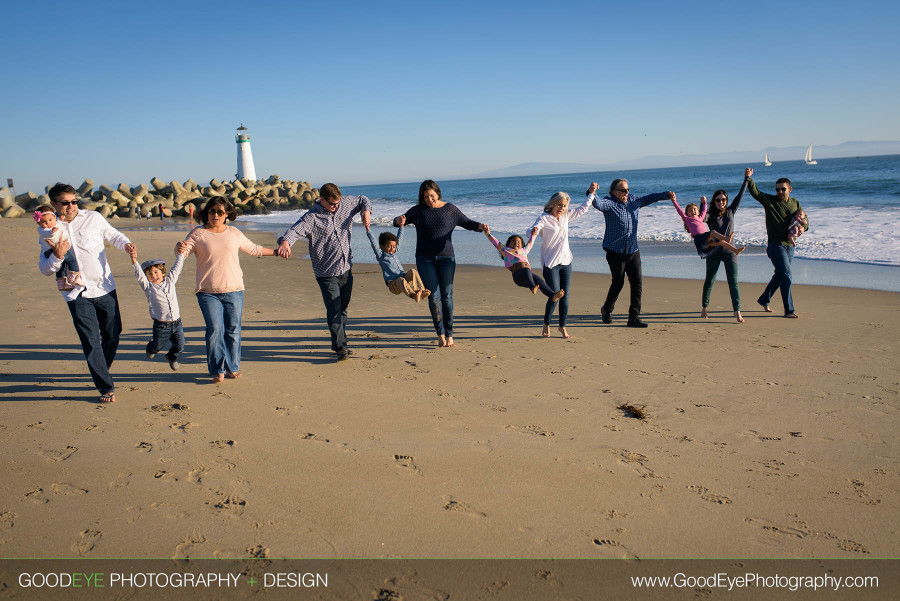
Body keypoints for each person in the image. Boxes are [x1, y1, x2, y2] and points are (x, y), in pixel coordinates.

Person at [38, 183, 136, 403]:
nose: (71, 206)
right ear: (54, 204)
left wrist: (127, 245)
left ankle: (102, 367)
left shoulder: (93, 218)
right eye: (65, 202)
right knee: (91, 340)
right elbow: (45, 268)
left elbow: (114, 235)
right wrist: (58, 256)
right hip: (75, 293)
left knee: (113, 334)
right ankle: (105, 386)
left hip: (104, 287)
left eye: (74, 201)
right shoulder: (48, 230)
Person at [178, 197, 278, 382]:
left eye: (220, 212)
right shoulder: (198, 234)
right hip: (207, 291)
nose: (215, 215)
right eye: (212, 211)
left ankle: (232, 366)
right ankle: (217, 369)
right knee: (215, 329)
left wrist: (277, 251)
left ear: (227, 215)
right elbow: (184, 251)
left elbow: (254, 249)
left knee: (233, 330)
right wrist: (179, 248)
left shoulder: (234, 233)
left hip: (234, 289)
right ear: (206, 213)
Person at [277, 183, 372, 360]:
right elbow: (294, 231)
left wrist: (366, 211)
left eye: (338, 203)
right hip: (326, 272)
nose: (336, 206)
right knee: (334, 309)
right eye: (332, 204)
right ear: (322, 200)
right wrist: (284, 242)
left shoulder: (344, 204)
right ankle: (341, 347)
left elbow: (363, 199)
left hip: (346, 267)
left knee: (343, 309)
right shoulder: (311, 218)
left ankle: (339, 342)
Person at [392, 180, 485, 348]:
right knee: (433, 296)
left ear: (438, 193)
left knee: (447, 296)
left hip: (447, 259)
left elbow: (466, 222)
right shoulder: (419, 210)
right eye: (426, 196)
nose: (429, 199)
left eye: (432, 196)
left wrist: (480, 226)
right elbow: (400, 221)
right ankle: (440, 333)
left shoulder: (450, 209)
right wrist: (398, 220)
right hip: (424, 258)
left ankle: (449, 333)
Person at [587, 180, 676, 327]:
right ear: (614, 192)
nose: (626, 193)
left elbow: (649, 198)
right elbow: (598, 203)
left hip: (633, 249)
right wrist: (591, 192)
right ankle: (607, 310)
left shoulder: (633, 200)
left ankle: (633, 318)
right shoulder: (610, 203)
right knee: (618, 282)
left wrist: (666, 195)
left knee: (637, 284)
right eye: (623, 190)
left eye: (627, 190)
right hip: (615, 252)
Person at [745, 167, 808, 318]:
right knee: (786, 275)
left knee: (780, 275)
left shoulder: (795, 203)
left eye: (783, 189)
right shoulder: (770, 202)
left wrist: (803, 228)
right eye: (777, 189)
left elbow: (804, 219)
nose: (779, 192)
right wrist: (748, 178)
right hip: (775, 245)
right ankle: (789, 310)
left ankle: (764, 299)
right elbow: (756, 193)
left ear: (790, 189)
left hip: (789, 245)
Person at [530, 190, 593, 338]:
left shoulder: (565, 217)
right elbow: (534, 229)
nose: (562, 208)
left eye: (564, 206)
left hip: (566, 262)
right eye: (559, 205)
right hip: (551, 264)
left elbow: (582, 209)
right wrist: (533, 231)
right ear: (552, 204)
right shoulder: (544, 218)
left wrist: (592, 194)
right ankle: (546, 324)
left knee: (566, 296)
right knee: (554, 295)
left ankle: (562, 326)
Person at [128, 248, 186, 371]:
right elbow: (139, 275)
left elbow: (177, 267)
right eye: (149, 274)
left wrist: (181, 254)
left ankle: (171, 357)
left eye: (156, 272)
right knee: (156, 347)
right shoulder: (149, 287)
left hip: (177, 323)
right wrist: (133, 260)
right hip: (161, 326)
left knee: (180, 345)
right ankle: (150, 347)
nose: (154, 276)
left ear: (162, 272)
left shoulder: (170, 281)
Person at [701, 176, 749, 323]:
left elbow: (740, 195)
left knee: (733, 282)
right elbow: (700, 219)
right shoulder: (710, 215)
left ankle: (737, 311)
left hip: (730, 252)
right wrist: (702, 205)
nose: (721, 202)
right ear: (713, 201)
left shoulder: (731, 211)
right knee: (710, 280)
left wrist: (746, 179)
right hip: (714, 252)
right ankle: (704, 308)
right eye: (718, 200)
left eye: (723, 200)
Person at [483, 225, 565, 302]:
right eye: (513, 241)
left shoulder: (524, 250)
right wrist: (487, 233)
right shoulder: (505, 250)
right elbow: (495, 242)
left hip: (527, 276)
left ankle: (552, 295)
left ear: (522, 244)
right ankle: (532, 287)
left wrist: (534, 234)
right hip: (518, 277)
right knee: (526, 269)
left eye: (518, 242)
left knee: (540, 281)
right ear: (508, 244)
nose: (516, 243)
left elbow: (531, 242)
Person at [365, 216, 430, 302]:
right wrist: (367, 228)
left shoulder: (395, 252)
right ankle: (414, 295)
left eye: (394, 247)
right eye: (389, 247)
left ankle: (421, 291)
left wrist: (402, 226)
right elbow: (374, 243)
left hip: (404, 280)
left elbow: (400, 238)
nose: (392, 249)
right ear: (382, 247)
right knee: (400, 280)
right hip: (393, 285)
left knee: (413, 271)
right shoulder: (381, 256)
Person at [671, 196, 745, 256]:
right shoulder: (687, 219)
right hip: (699, 238)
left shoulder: (700, 218)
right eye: (690, 210)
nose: (693, 211)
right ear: (687, 213)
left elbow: (704, 210)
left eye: (694, 209)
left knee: (721, 242)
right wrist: (674, 201)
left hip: (705, 239)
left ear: (697, 211)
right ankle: (727, 238)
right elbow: (679, 210)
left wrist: (704, 202)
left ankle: (735, 250)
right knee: (713, 232)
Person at [34, 205, 84, 290]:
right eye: (44, 222)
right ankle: (74, 277)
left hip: (58, 248)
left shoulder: (56, 223)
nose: (48, 223)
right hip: (52, 250)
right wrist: (52, 231)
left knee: (61, 266)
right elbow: (47, 233)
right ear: (38, 223)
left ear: (54, 217)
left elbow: (58, 223)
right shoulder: (43, 230)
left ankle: (62, 283)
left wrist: (60, 219)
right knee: (72, 260)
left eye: (50, 220)